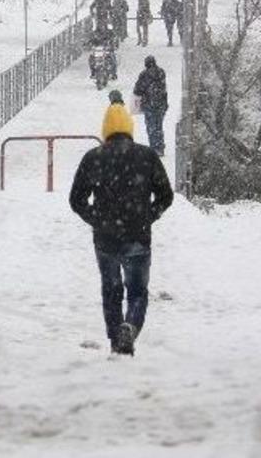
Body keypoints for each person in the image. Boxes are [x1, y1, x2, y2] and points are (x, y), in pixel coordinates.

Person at [68, 102, 173, 356]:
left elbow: (76, 199)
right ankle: (131, 325)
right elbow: (166, 195)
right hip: (138, 235)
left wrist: (97, 219)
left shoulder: (93, 157)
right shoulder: (146, 156)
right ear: (129, 126)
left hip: (106, 239)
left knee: (111, 291)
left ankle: (116, 341)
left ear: (105, 129)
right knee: (137, 292)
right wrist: (148, 216)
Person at [133, 56, 168, 156]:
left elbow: (138, 90)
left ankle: (154, 148)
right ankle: (160, 147)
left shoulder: (144, 74)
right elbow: (163, 88)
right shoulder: (161, 72)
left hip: (149, 105)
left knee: (151, 127)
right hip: (161, 104)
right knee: (159, 126)